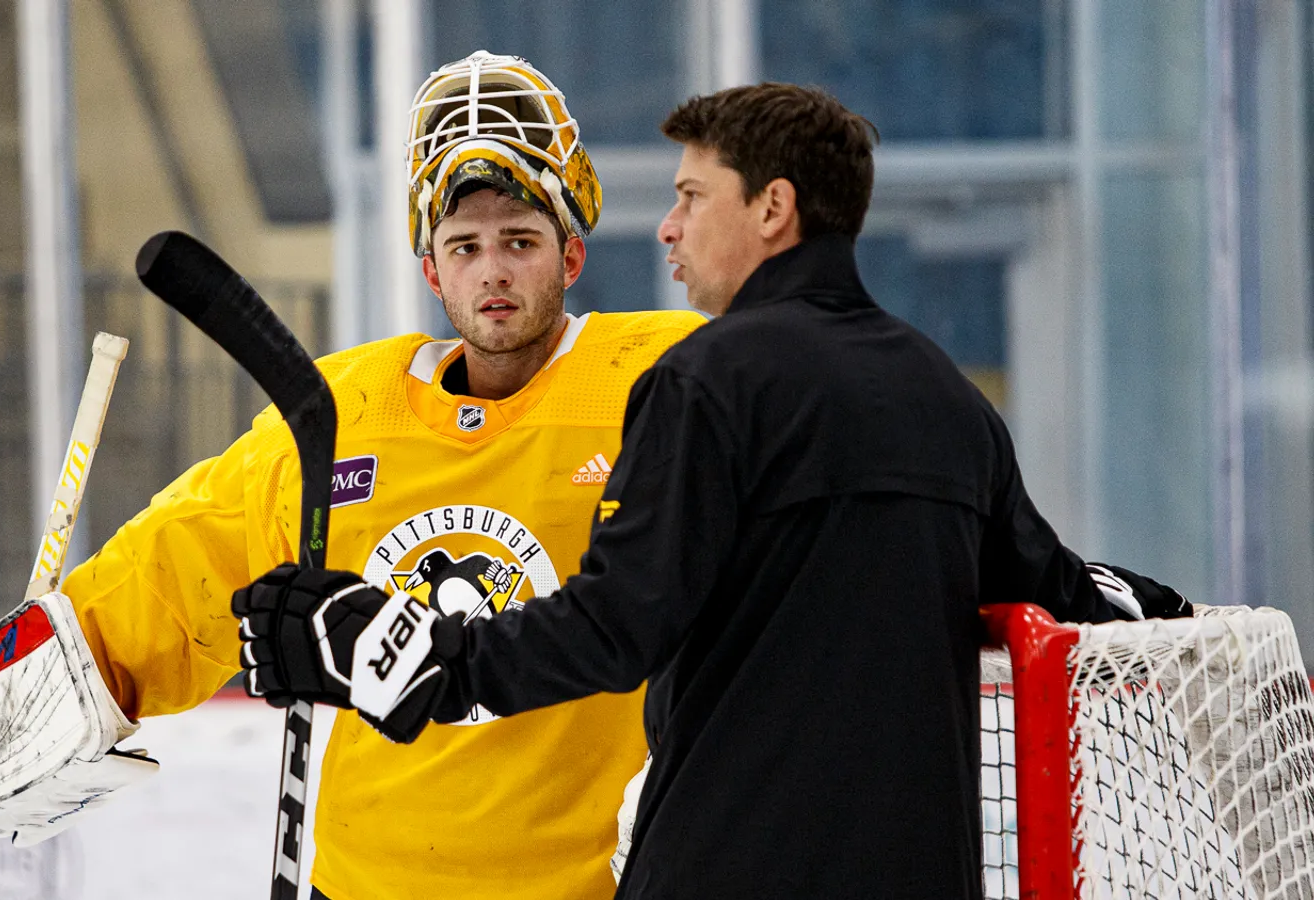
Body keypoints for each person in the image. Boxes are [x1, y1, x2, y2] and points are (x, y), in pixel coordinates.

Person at [235, 83, 1193, 899]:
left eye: (693, 195)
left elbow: (617, 625)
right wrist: (1167, 608)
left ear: (772, 208)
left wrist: (424, 659)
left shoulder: (706, 381)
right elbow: (1054, 589)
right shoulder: (940, 391)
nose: (669, 224)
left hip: (723, 867)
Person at [0, 50, 706, 900]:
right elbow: (170, 577)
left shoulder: (662, 379)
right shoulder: (345, 410)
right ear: (432, 269)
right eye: (466, 248)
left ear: (572, 255)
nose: (495, 271)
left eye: (520, 240)